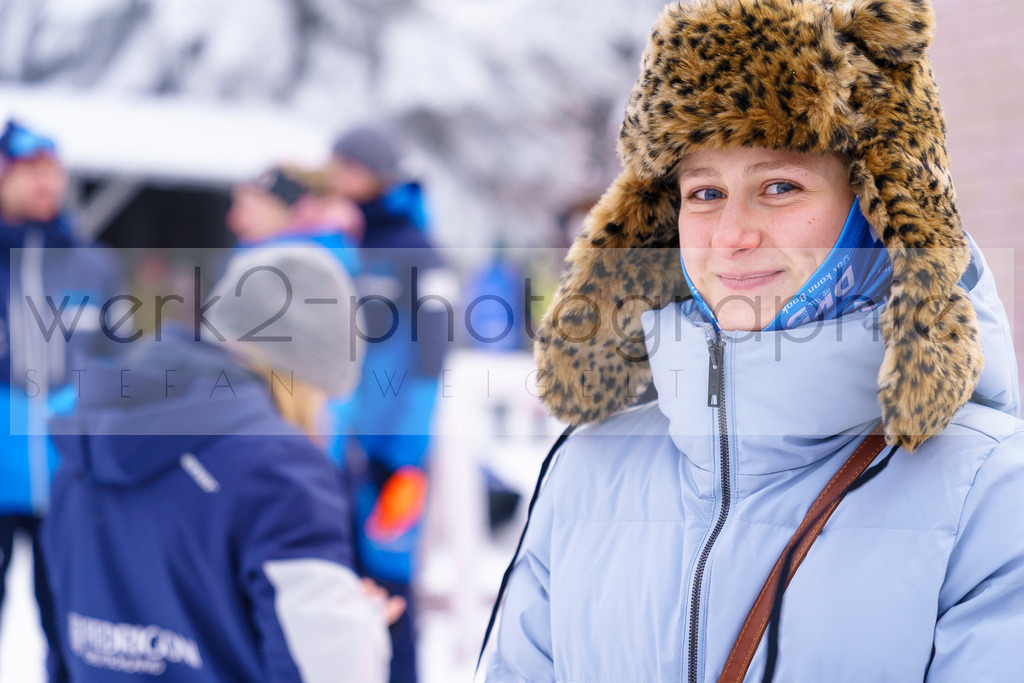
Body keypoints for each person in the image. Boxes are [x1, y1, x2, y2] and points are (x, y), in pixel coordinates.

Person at [486, 1, 1024, 681]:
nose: (732, 234)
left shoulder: (989, 492)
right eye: (704, 193)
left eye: (779, 185)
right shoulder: (586, 472)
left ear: (873, 206)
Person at [41, 246, 401, 681]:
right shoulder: (281, 470)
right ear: (304, 381)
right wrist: (352, 630)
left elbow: (64, 639)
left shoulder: (86, 436)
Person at [329, 125, 454, 683]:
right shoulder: (350, 242)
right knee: (341, 587)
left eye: (344, 164)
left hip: (392, 458)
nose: (334, 175)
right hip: (342, 451)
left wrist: (403, 455)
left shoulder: (418, 252)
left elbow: (432, 363)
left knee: (388, 587)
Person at [0, 119, 124, 678]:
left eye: (52, 171)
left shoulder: (94, 263)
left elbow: (120, 363)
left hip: (67, 473)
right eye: (28, 171)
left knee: (75, 620)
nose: (43, 183)